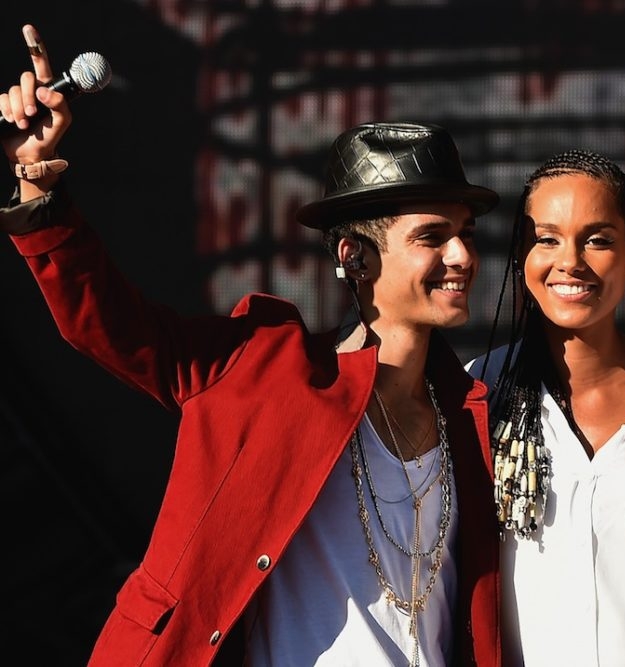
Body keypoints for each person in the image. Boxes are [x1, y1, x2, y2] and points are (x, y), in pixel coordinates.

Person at [0, 24, 501, 666]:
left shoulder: (473, 415)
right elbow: (108, 324)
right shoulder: (260, 363)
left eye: (465, 232)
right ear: (355, 255)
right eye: (432, 236)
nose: (462, 255)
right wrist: (38, 192)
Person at [467, 150, 625, 666]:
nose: (570, 261)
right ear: (521, 256)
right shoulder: (478, 394)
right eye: (547, 239)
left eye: (597, 240)